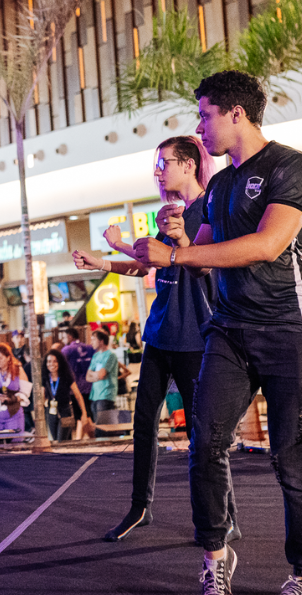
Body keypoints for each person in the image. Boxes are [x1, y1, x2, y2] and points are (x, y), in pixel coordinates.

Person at [131, 71, 302, 595]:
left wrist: (179, 253)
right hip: (229, 329)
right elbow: (200, 254)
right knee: (205, 444)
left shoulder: (291, 166)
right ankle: (216, 561)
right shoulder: (217, 187)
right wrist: (170, 242)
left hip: (292, 329)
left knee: (293, 457)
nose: (199, 127)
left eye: (204, 115)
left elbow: (267, 245)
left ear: (235, 114)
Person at [74, 134, 239, 544]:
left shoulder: (210, 209)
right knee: (143, 422)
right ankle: (139, 507)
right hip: (161, 333)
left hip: (197, 338)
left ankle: (225, 515)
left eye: (165, 162)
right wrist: (106, 260)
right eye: (158, 163)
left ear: (188, 165)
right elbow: (148, 264)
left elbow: (203, 267)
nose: (159, 170)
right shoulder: (170, 212)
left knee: (203, 433)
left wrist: (181, 240)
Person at [42, 349, 90, 441]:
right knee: (56, 440)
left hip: (66, 412)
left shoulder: (66, 376)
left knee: (61, 441)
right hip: (51, 412)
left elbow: (78, 395)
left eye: (55, 361)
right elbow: (41, 395)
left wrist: (84, 413)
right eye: (49, 361)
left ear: (59, 362)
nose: (51, 364)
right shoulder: (45, 377)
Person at [85, 329, 120, 425]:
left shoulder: (111, 355)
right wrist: (97, 376)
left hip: (106, 394)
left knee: (104, 426)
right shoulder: (95, 356)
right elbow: (87, 376)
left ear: (101, 341)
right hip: (95, 395)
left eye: (93, 340)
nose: (91, 342)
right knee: (97, 425)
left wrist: (95, 375)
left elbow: (102, 374)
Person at [60, 327, 95, 418]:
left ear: (70, 336)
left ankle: (82, 430)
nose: (63, 340)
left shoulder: (66, 350)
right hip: (90, 386)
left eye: (64, 337)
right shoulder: (90, 348)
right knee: (89, 413)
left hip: (75, 387)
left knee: (79, 416)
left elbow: (62, 366)